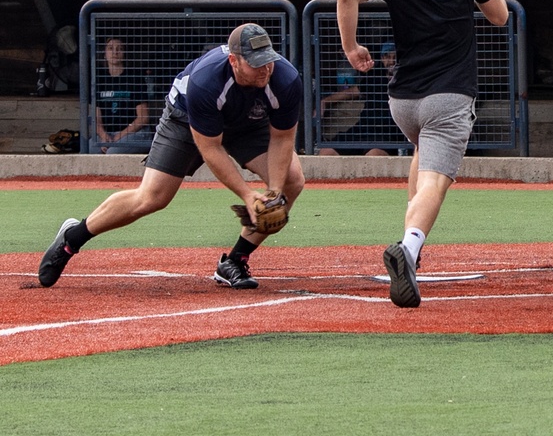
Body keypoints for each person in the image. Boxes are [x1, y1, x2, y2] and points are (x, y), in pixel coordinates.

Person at [37, 23, 305, 290]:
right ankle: (72, 238)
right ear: (234, 60)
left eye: (268, 60)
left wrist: (274, 193)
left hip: (247, 122)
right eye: (256, 63)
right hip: (185, 118)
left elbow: (282, 138)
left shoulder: (286, 79)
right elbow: (211, 149)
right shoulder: (206, 81)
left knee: (292, 180)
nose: (265, 69)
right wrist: (247, 196)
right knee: (153, 197)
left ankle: (234, 260)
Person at [336, 0, 508, 308]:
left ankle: (410, 247)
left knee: (420, 153)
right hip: (448, 95)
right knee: (436, 182)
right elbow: (499, 17)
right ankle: (409, 249)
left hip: (404, 101)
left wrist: (351, 47)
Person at [318, 42, 406, 156]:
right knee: (326, 152)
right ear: (382, 58)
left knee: (374, 156)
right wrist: (325, 101)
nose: (391, 61)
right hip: (362, 130)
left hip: (387, 133)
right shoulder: (375, 77)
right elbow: (352, 92)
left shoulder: (405, 80)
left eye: (395, 57)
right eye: (387, 56)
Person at [93, 38, 152, 154]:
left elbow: (143, 118)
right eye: (110, 48)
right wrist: (104, 136)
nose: (115, 52)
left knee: (112, 153)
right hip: (109, 134)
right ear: (104, 53)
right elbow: (96, 118)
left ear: (124, 54)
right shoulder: (99, 80)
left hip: (135, 134)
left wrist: (118, 137)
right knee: (90, 150)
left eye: (120, 49)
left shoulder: (134, 78)